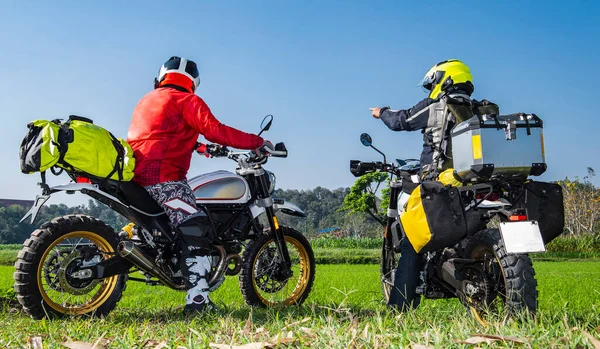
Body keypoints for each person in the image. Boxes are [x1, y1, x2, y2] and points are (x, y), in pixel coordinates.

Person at [127, 56, 272, 313]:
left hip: (135, 176)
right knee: (197, 228)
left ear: (161, 76)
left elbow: (161, 134)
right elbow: (215, 129)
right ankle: (198, 301)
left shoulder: (147, 100)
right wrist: (256, 142)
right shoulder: (187, 100)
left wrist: (201, 147)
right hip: (163, 178)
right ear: (193, 82)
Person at [369, 59, 474, 311]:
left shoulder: (437, 106)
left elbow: (402, 120)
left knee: (412, 242)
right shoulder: (479, 110)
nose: (430, 90)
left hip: (438, 184)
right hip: (471, 184)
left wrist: (382, 112)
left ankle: (399, 307)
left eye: (432, 84)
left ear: (443, 79)